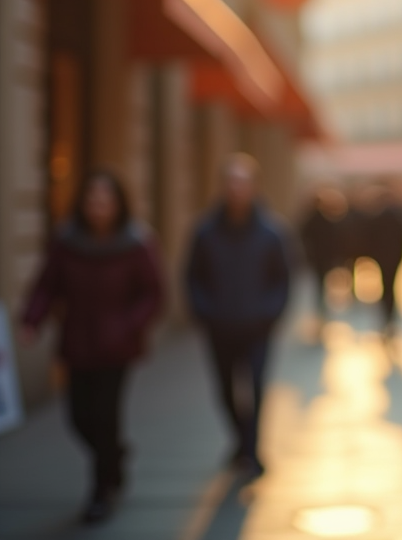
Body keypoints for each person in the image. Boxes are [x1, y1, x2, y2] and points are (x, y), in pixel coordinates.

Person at [20, 171, 163, 524]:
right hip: (78, 342)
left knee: (106, 414)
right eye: (92, 199)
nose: (98, 207)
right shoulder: (67, 241)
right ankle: (113, 456)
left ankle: (101, 491)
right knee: (78, 416)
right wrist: (31, 320)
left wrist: (129, 325)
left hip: (117, 348)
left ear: (118, 204)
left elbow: (154, 293)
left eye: (105, 199)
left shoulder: (136, 242)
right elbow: (47, 284)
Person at [185, 153, 293, 478]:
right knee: (225, 390)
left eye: (243, 182)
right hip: (220, 328)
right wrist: (205, 312)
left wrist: (269, 314)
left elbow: (283, 278)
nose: (237, 189)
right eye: (231, 181)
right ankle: (241, 441)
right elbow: (192, 277)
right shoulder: (206, 231)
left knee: (256, 388)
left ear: (254, 187)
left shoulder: (271, 232)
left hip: (257, 327)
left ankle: (251, 448)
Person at [359, 183, 402, 333]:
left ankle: (386, 313)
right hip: (394, 256)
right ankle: (390, 313)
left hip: (382, 257)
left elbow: (369, 239)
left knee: (385, 285)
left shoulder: (377, 217)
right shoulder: (398, 217)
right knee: (391, 285)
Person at [298, 185, 348, 321]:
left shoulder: (312, 220)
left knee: (319, 283)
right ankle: (321, 309)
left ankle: (320, 309)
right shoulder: (325, 220)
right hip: (323, 258)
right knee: (321, 283)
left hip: (317, 257)